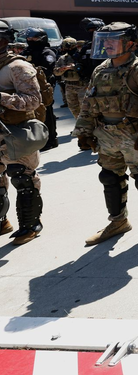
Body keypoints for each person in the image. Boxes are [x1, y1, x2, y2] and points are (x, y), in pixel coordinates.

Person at [73, 22, 138, 246]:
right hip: (105, 134)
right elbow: (88, 102)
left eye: (112, 40)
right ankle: (118, 222)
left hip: (133, 137)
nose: (106, 44)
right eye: (104, 40)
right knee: (109, 178)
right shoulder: (100, 69)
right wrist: (83, 131)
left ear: (131, 43)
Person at [0, 20, 45, 245]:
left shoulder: (17, 67)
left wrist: (1, 97)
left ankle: (30, 225)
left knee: (22, 177)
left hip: (16, 132)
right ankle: (2, 221)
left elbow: (33, 101)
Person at [23, 27, 58, 151]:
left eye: (33, 38)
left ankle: (51, 140)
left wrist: (30, 71)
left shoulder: (47, 53)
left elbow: (47, 70)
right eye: (29, 38)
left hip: (43, 87)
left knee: (46, 112)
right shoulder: (27, 52)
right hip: (28, 87)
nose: (30, 40)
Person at [53, 37, 87, 120]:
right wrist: (62, 69)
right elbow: (55, 71)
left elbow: (87, 69)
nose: (67, 49)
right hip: (69, 86)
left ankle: (85, 128)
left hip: (82, 85)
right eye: (65, 47)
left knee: (85, 108)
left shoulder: (81, 56)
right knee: (73, 108)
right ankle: (79, 126)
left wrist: (74, 67)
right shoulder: (63, 58)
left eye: (69, 47)